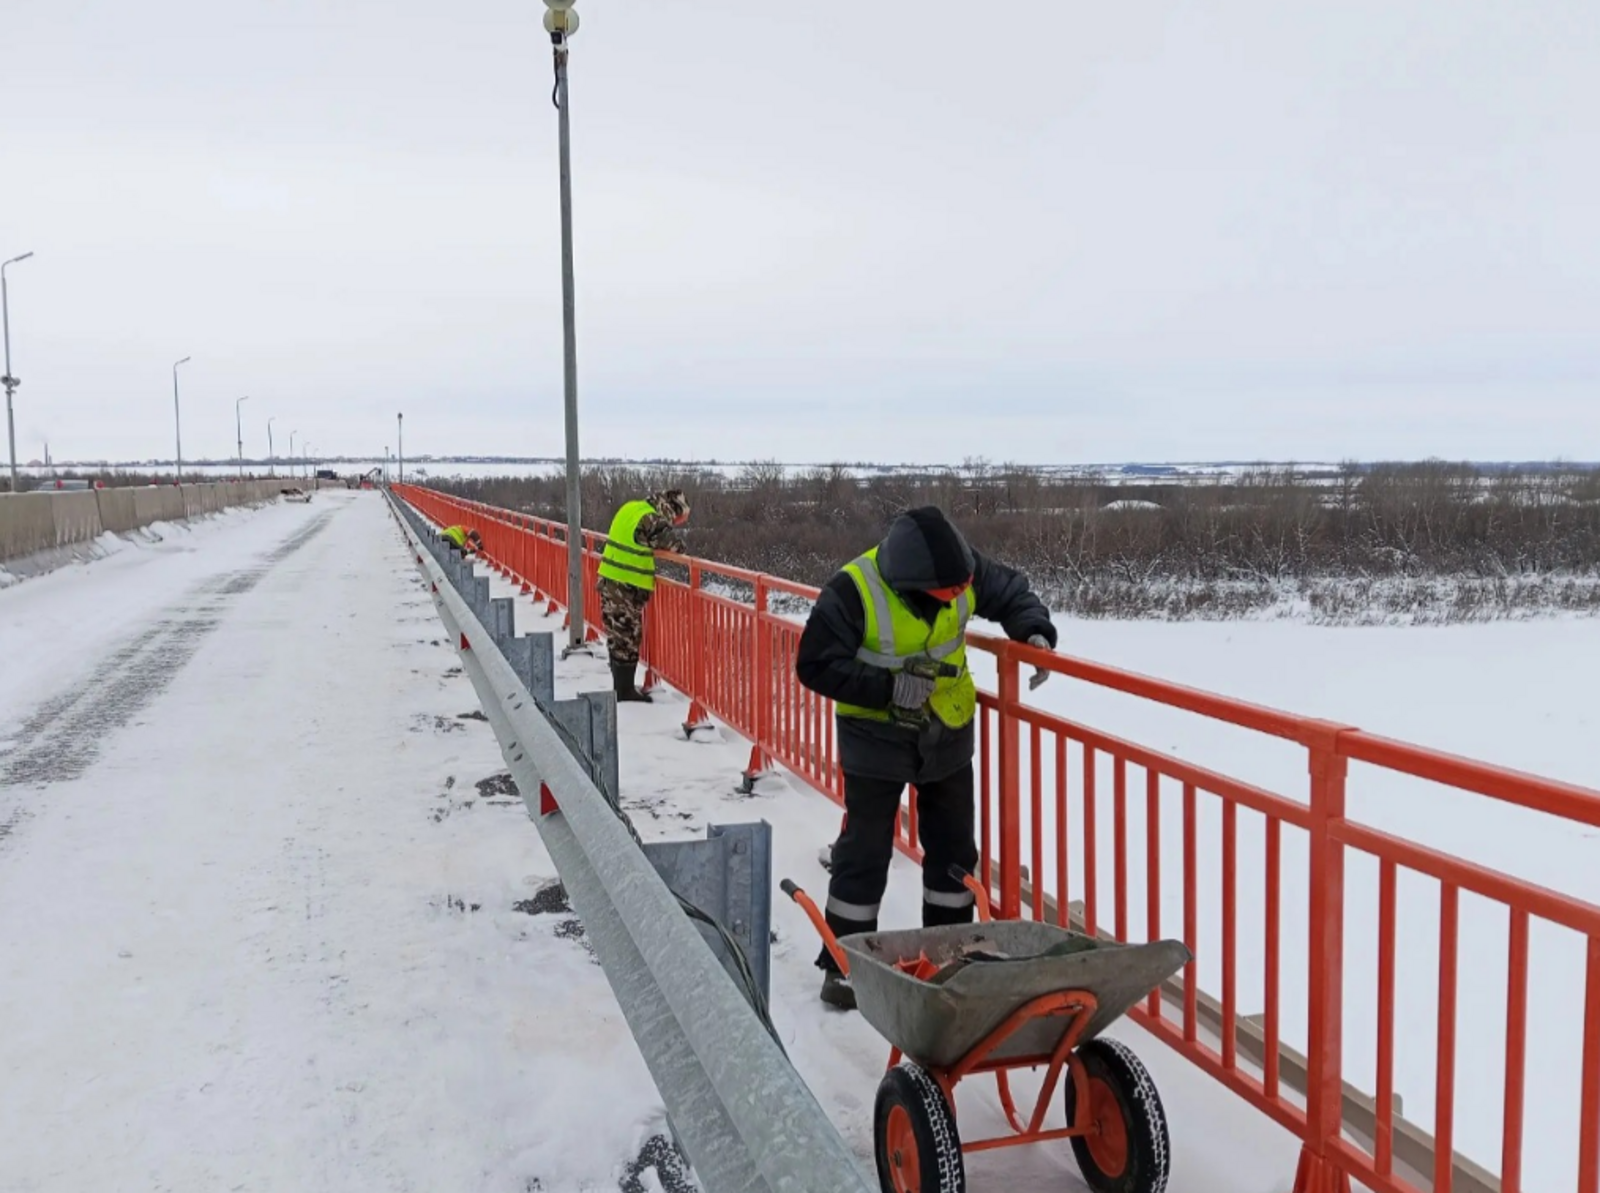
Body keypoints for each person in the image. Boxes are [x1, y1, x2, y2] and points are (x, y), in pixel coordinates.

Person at [794, 506, 1057, 1009]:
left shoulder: (960, 569)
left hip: (948, 731)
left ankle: (952, 954)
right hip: (875, 738)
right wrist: (888, 688)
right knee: (865, 852)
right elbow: (814, 664)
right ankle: (846, 966)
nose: (964, 595)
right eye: (952, 591)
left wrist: (1033, 629)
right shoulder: (853, 591)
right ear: (915, 581)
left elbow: (1009, 591)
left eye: (965, 586)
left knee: (956, 851)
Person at [597, 489, 691, 702]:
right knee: (627, 639)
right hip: (625, 588)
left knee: (617, 637)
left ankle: (621, 688)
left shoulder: (631, 508)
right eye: (677, 520)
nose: (674, 524)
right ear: (671, 509)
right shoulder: (651, 519)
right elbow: (676, 545)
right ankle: (624, 693)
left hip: (609, 580)